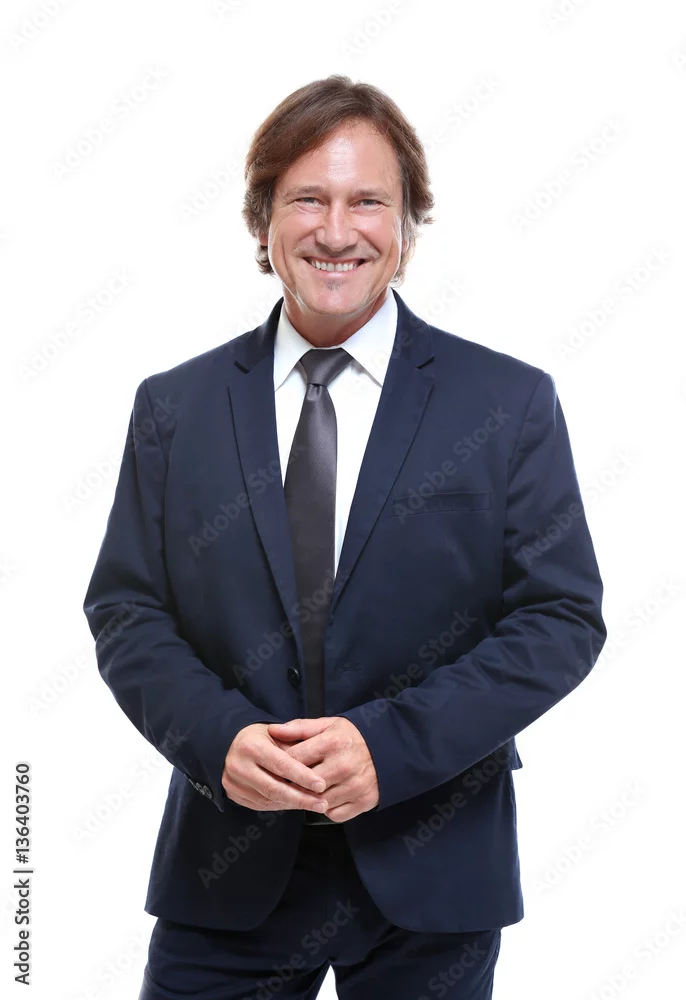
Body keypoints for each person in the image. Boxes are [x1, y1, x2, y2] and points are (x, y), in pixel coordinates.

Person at [83, 74, 606, 999]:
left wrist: (390, 747)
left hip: (433, 865)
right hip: (227, 869)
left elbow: (560, 618)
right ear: (261, 222)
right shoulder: (175, 407)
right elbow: (127, 610)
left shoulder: (508, 401)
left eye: (367, 201)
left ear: (407, 225)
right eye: (307, 200)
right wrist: (218, 738)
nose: (336, 231)